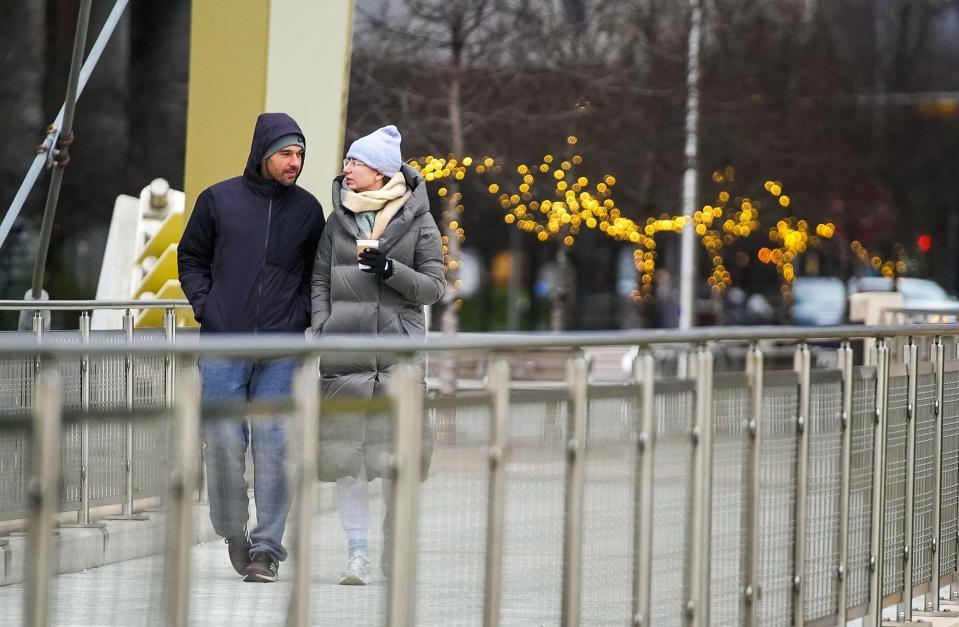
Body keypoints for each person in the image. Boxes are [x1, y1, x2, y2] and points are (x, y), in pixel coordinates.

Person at [178, 112, 325, 583]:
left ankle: (266, 549)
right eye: (286, 153)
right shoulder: (218, 200)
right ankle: (233, 532)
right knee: (222, 442)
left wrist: (298, 315)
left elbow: (313, 274)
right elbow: (191, 258)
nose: (295, 162)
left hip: (281, 347)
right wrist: (208, 306)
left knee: (274, 443)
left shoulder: (307, 210)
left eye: (300, 154)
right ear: (263, 152)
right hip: (224, 340)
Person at [311, 125, 445, 585]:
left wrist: (390, 270)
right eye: (346, 162)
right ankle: (358, 554)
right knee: (348, 462)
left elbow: (433, 287)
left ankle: (393, 547)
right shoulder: (338, 221)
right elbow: (320, 280)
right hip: (344, 356)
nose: (346, 170)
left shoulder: (420, 221)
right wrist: (323, 327)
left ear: (381, 171)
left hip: (397, 360)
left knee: (395, 461)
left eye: (355, 162)